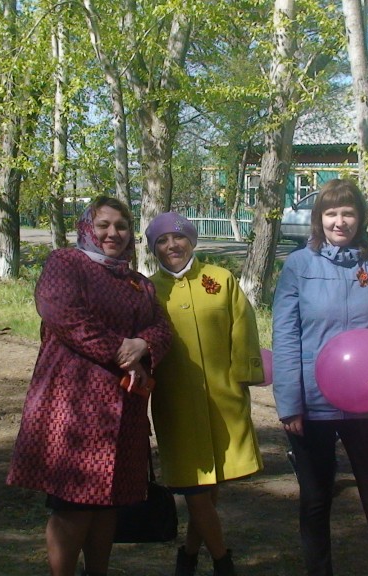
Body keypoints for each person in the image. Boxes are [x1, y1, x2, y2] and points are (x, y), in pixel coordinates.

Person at [6, 196, 173, 576]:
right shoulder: (66, 263)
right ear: (87, 228)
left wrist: (143, 344)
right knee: (73, 504)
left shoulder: (139, 284)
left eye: (121, 226)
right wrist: (121, 351)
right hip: (73, 404)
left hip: (123, 409)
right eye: (104, 225)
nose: (113, 233)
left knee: (108, 502)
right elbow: (63, 314)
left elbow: (163, 328)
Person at [272, 178, 368, 576]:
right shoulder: (299, 265)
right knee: (315, 500)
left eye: (348, 213)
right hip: (313, 404)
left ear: (360, 218)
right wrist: (290, 403)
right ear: (319, 219)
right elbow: (285, 335)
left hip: (367, 403)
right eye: (331, 213)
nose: (339, 222)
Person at [144, 212, 265, 576]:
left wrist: (244, 375)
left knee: (209, 489)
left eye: (178, 237)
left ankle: (188, 556)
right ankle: (223, 562)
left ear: (191, 240)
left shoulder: (220, 279)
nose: (171, 245)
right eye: (161, 241)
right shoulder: (147, 290)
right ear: (153, 249)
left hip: (223, 400)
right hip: (175, 403)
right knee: (195, 488)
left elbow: (244, 328)